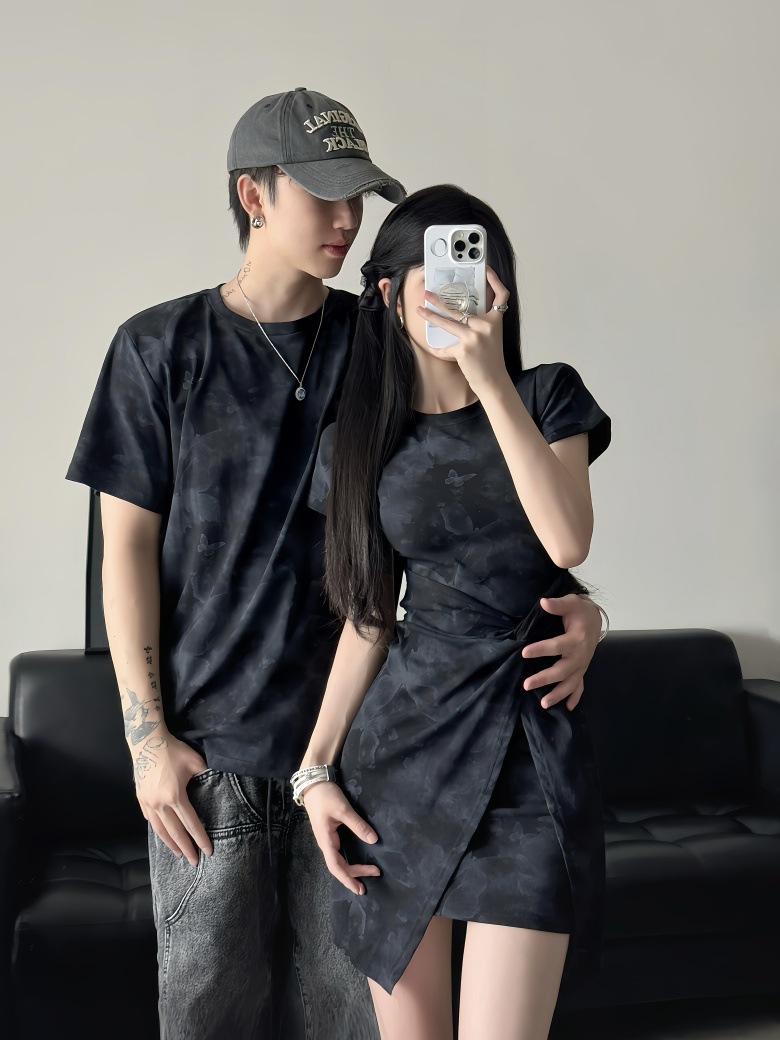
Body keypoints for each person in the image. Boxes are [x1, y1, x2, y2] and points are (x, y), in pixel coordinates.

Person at [66, 87, 607, 1040]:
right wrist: (147, 739)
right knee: (208, 1020)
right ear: (254, 195)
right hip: (215, 751)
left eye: (356, 194)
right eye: (322, 193)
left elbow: (484, 512)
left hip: (363, 752)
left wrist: (584, 611)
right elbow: (125, 551)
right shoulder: (160, 347)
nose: (347, 218)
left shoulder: (387, 337)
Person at [300, 184, 611, 1040]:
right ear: (389, 293)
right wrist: (315, 771)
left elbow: (567, 540)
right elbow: (370, 618)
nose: (456, 294)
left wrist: (490, 377)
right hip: (399, 765)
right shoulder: (357, 443)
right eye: (435, 277)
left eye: (475, 275)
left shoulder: (546, 396)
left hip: (528, 754)